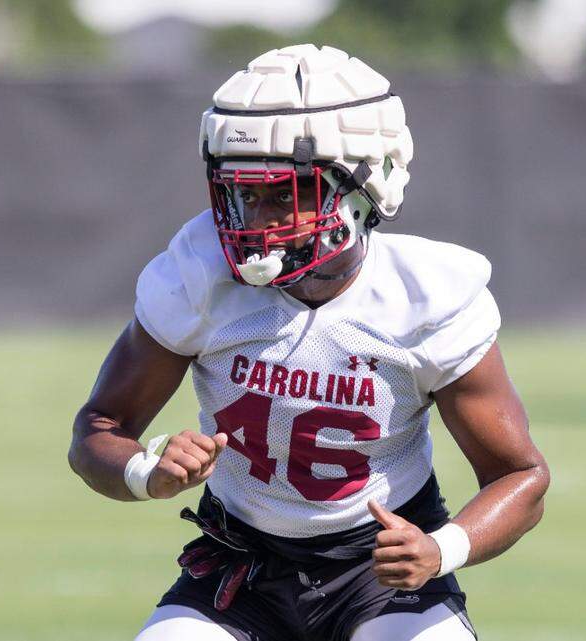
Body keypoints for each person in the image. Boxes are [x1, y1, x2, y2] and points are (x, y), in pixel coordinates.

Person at [68, 44, 550, 641]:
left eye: (284, 194)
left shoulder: (423, 297)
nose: (257, 221)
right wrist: (146, 471)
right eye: (245, 195)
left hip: (381, 568)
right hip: (241, 564)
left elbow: (519, 475)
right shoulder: (200, 275)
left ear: (363, 187)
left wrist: (440, 549)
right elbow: (98, 428)